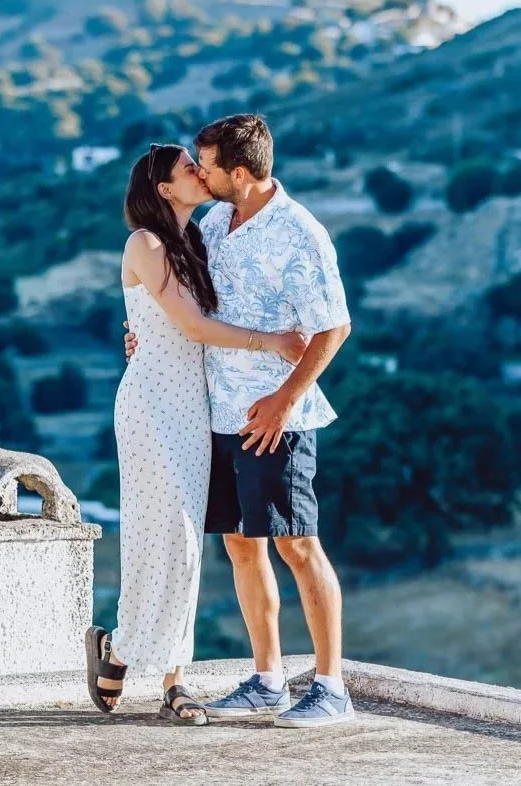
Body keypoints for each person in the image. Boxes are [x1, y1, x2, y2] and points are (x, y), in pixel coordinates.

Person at [124, 114, 355, 728]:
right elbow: (185, 304)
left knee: (298, 545)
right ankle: (267, 679)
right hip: (214, 414)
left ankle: (332, 688)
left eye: (207, 165)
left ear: (241, 172)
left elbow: (334, 327)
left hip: (276, 417)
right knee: (242, 547)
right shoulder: (215, 222)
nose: (199, 173)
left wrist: (282, 402)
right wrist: (141, 332)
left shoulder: (299, 232)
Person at [85, 143, 307, 726]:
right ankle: (163, 675)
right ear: (163, 188)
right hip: (152, 404)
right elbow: (191, 325)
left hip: (194, 406)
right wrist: (273, 343)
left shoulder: (200, 238)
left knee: (183, 542)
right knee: (163, 537)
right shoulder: (145, 242)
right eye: (188, 168)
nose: (198, 172)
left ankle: (133, 655)